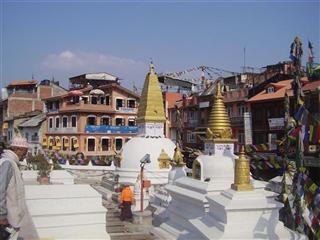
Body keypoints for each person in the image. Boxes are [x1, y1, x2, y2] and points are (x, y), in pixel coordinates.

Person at [0, 137, 39, 240]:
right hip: (8, 218)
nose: (25, 155)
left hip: (12, 217)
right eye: (25, 152)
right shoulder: (7, 163)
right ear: (18, 149)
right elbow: (0, 189)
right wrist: (2, 215)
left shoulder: (11, 163)